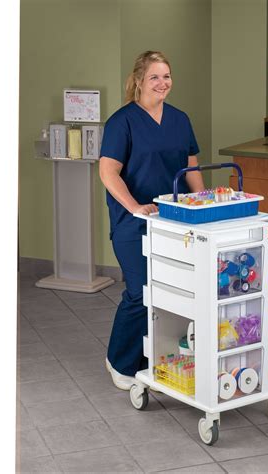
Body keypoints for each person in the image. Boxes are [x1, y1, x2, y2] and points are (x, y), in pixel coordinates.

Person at [99, 51, 205, 389]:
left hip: (173, 220)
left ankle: (155, 358)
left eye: (167, 76)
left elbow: (191, 166)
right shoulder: (123, 121)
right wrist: (135, 207)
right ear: (140, 82)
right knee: (139, 291)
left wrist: (202, 205)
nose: (162, 83)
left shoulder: (180, 119)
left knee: (171, 292)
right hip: (134, 221)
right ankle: (120, 361)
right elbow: (108, 171)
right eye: (155, 77)